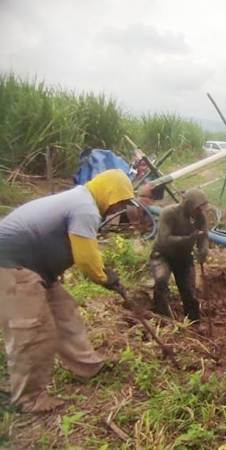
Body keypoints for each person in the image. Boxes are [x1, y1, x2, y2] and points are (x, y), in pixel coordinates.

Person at [0, 169, 135, 412]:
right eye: (119, 202)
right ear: (109, 193)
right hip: (12, 267)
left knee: (65, 313)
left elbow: (84, 248)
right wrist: (104, 278)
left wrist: (102, 270)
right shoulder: (85, 208)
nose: (118, 209)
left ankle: (88, 366)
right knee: (33, 331)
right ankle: (29, 399)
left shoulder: (81, 200)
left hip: (38, 270)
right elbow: (85, 258)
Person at [150, 189, 208, 323]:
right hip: (162, 255)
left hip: (183, 258)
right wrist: (188, 239)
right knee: (161, 280)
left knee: (189, 290)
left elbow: (203, 237)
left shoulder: (200, 217)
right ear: (188, 205)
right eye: (197, 209)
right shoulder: (169, 213)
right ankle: (163, 318)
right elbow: (164, 239)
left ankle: (193, 322)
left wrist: (203, 250)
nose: (200, 212)